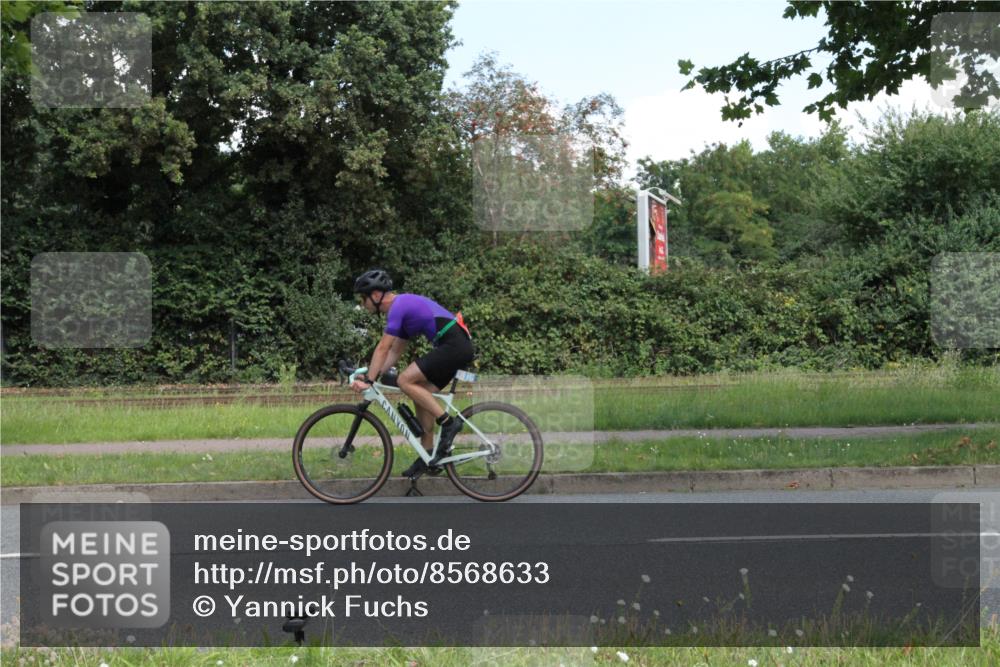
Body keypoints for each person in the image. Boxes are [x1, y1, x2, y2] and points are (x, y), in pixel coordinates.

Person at [350, 269, 475, 478]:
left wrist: (370, 380)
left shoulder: (398, 307)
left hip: (454, 345)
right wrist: (373, 375)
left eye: (364, 299)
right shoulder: (402, 310)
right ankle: (428, 456)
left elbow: (382, 348)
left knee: (404, 380)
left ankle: (448, 423)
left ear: (376, 295)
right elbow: (395, 351)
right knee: (419, 393)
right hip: (455, 345)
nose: (363, 304)